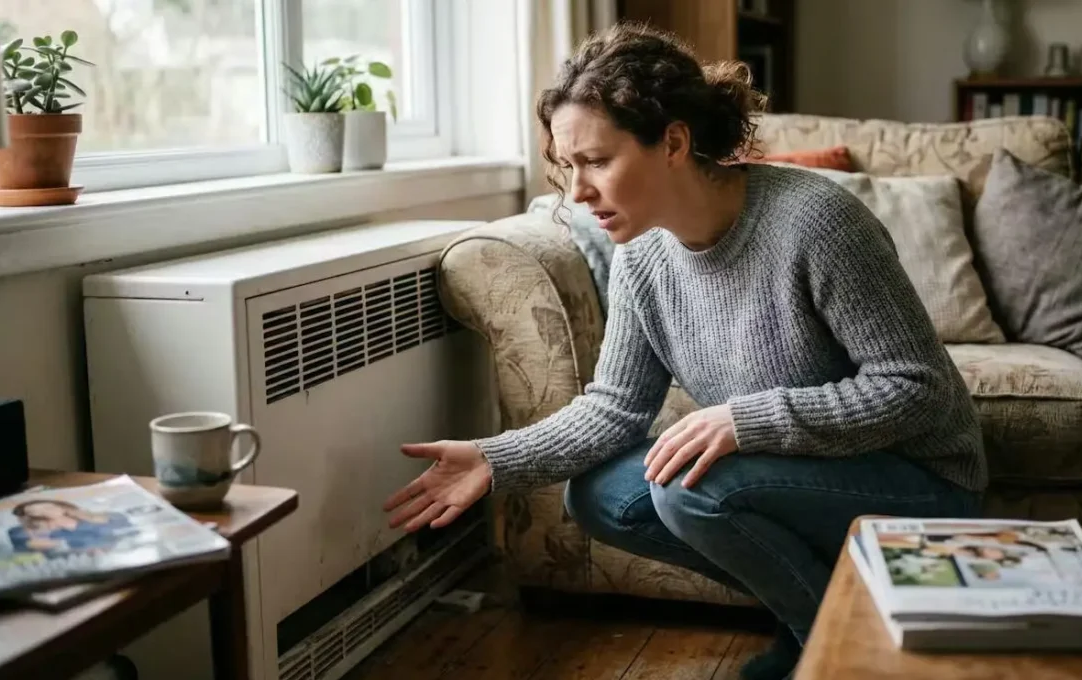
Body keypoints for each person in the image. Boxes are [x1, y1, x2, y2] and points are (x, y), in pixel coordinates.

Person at [383, 22, 986, 680]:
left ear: (673, 140)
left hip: (918, 480)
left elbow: (915, 387)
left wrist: (742, 420)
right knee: (605, 496)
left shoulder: (816, 222)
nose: (577, 192)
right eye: (568, 165)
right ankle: (813, 624)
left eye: (598, 161)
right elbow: (615, 407)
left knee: (691, 490)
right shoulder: (640, 255)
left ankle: (842, 655)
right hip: (794, 474)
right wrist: (493, 459)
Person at [8, 499, 133, 555]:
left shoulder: (110, 517)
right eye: (34, 513)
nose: (42, 512)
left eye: (47, 507)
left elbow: (127, 529)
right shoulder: (24, 534)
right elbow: (23, 544)